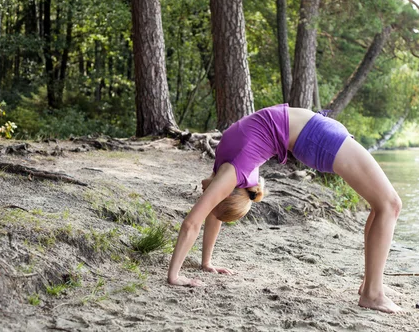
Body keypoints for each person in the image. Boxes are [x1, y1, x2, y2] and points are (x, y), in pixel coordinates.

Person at [167, 104, 403, 313]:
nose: (205, 195)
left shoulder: (229, 168)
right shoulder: (234, 174)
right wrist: (175, 276)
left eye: (211, 199)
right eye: (212, 199)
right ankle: (372, 294)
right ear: (226, 192)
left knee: (382, 204)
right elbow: (194, 222)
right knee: (390, 205)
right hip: (317, 137)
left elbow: (208, 216)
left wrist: (206, 263)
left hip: (316, 133)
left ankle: (371, 283)